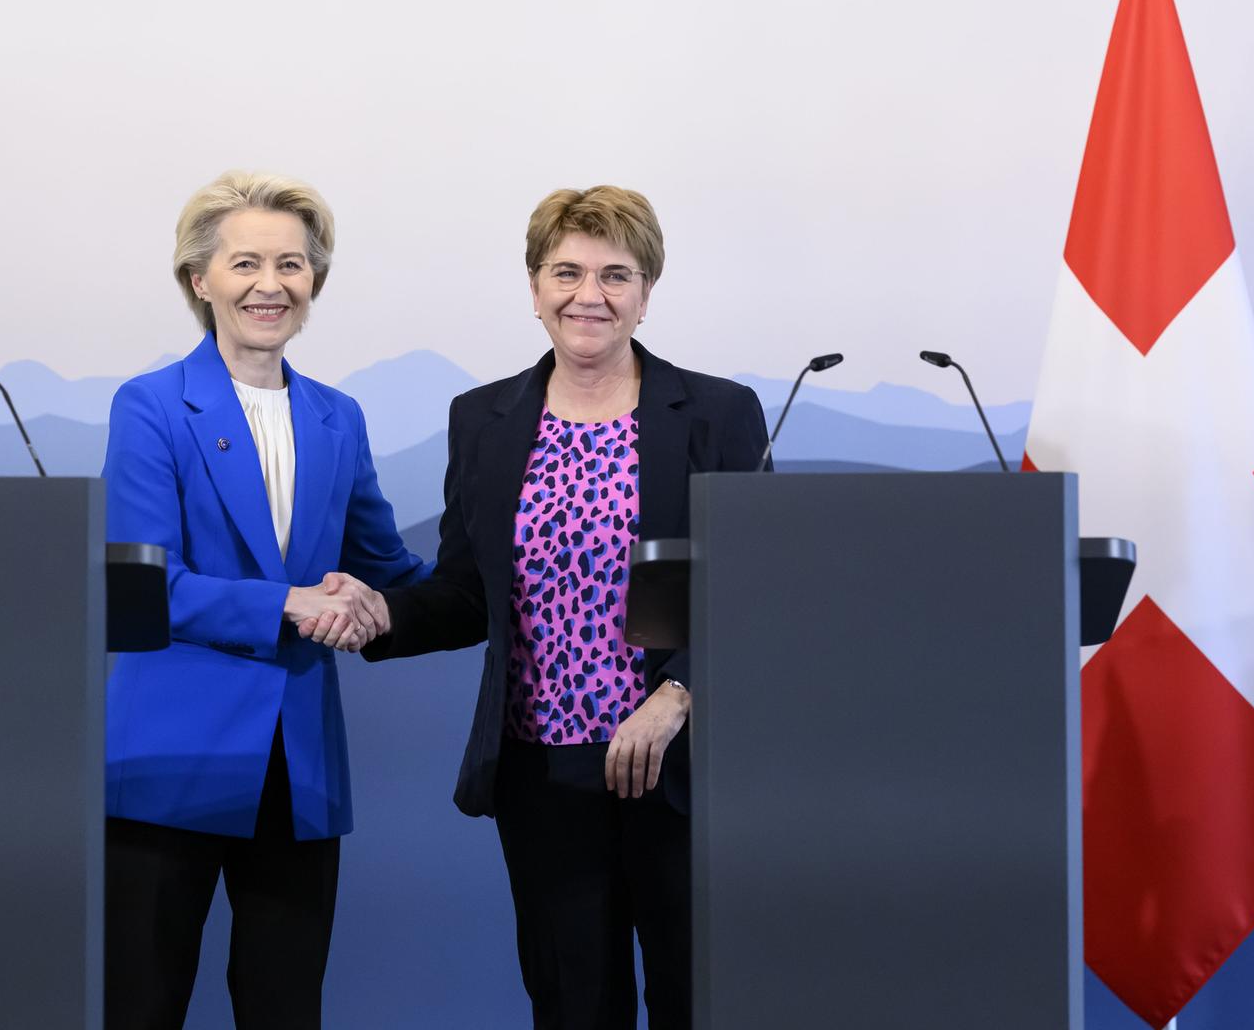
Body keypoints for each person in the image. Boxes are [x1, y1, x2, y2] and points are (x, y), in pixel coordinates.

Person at [341, 185, 769, 1029]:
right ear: (534, 287)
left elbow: (753, 588)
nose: (590, 295)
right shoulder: (485, 420)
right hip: (543, 775)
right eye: (566, 271)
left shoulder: (718, 414)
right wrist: (382, 614)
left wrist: (676, 695)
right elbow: (468, 594)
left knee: (701, 1001)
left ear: (647, 293)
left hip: (682, 768)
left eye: (617, 275)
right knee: (574, 1008)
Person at [100, 170, 427, 1029]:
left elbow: (385, 563)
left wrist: (505, 587)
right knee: (145, 1004)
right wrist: (289, 604)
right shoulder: (149, 408)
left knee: (286, 1008)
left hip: (298, 759)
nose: (270, 284)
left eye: (292, 264)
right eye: (246, 262)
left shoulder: (339, 416)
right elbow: (147, 585)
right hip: (169, 756)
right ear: (198, 279)